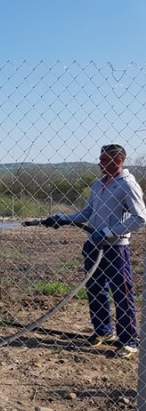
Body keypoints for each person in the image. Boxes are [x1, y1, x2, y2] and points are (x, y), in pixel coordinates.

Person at [42, 144, 146, 358]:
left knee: (122, 292)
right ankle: (103, 331)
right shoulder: (99, 184)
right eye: (100, 159)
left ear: (118, 161)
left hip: (115, 248)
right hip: (93, 245)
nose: (100, 164)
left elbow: (140, 218)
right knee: (95, 289)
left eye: (104, 160)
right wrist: (64, 219)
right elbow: (87, 213)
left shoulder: (127, 184)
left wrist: (108, 232)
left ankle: (128, 340)